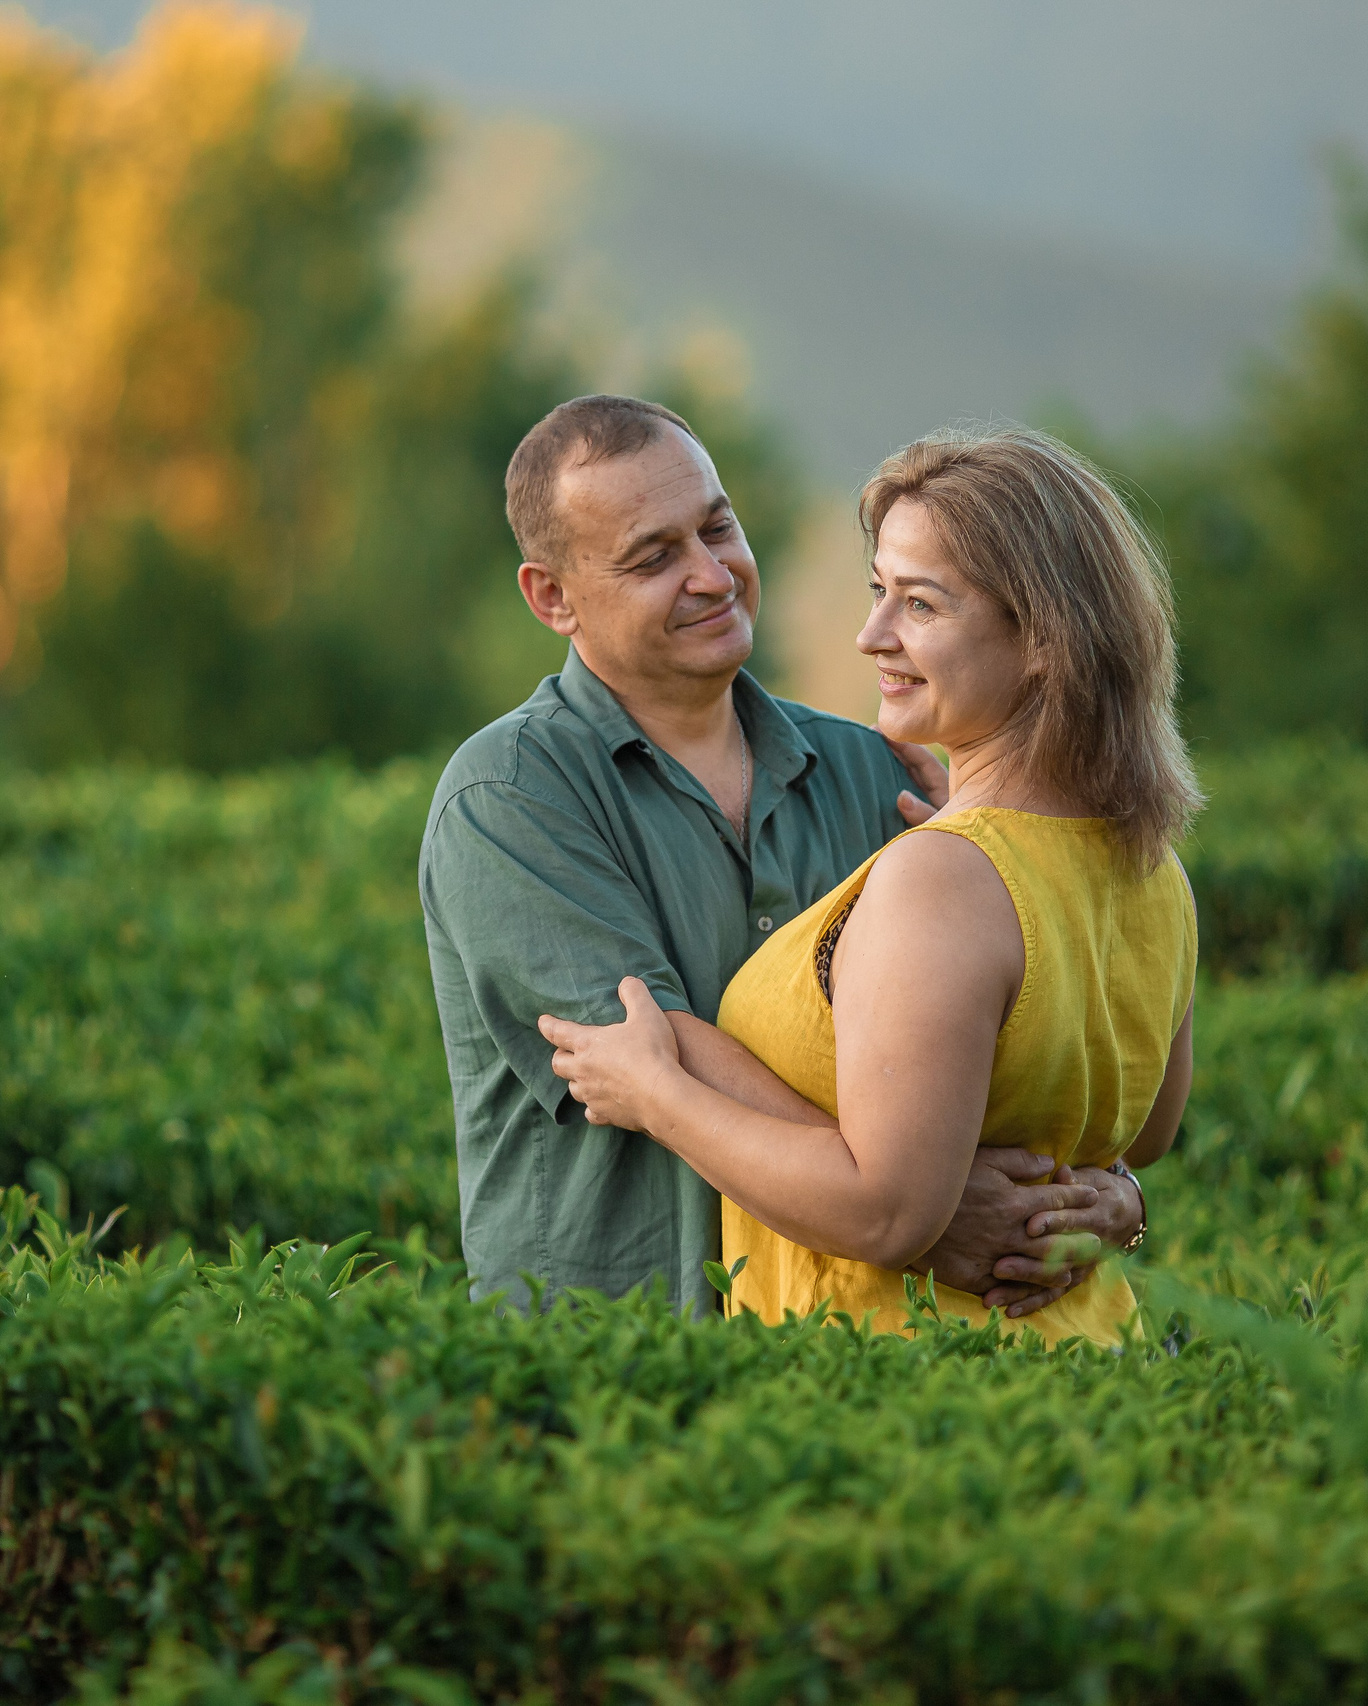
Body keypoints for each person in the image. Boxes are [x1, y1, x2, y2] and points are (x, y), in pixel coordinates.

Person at [420, 397, 1148, 1314]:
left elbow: (997, 1045)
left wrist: (1116, 1192)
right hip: (620, 1346)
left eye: (717, 528)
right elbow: (651, 1046)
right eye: (653, 557)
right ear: (552, 597)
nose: (710, 574)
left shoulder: (870, 767)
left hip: (833, 1355)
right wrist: (923, 1210)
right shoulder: (510, 796)